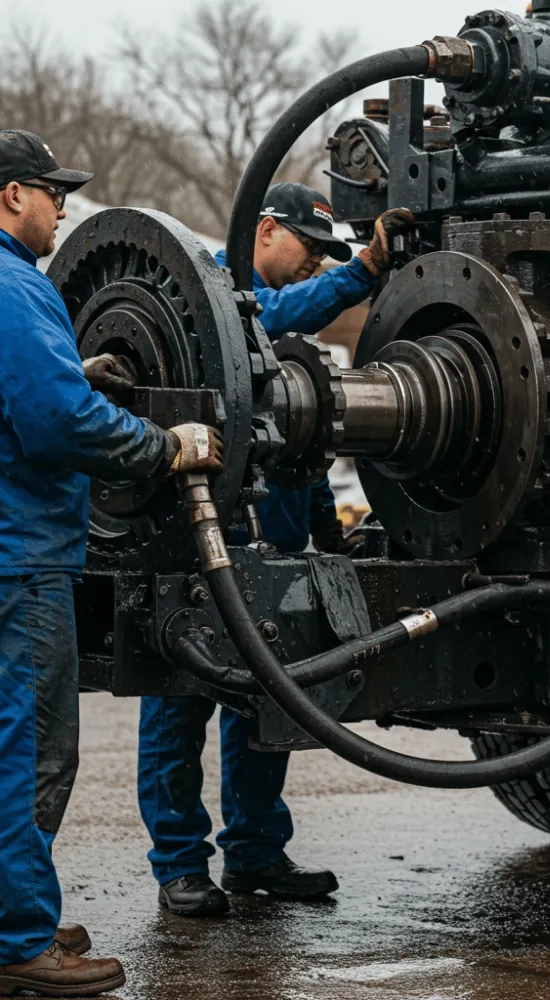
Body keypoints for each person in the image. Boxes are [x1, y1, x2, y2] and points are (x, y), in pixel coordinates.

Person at [138, 182, 415, 917]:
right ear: (263, 232)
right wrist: (359, 273)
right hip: (200, 548)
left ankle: (256, 852)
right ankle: (178, 864)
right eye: (307, 249)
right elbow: (275, 314)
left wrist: (326, 527)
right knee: (180, 705)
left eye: (328, 255)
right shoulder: (218, 308)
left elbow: (302, 441)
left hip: (273, 546)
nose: (313, 265)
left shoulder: (277, 329)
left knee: (267, 705)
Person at [0, 129, 223, 997]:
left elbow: (39, 397)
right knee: (29, 752)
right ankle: (20, 946)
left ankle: (12, 916)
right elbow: (58, 425)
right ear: (13, 195)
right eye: (53, 192)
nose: (64, 208)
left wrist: (77, 373)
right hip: (20, 558)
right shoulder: (14, 285)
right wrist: (166, 446)